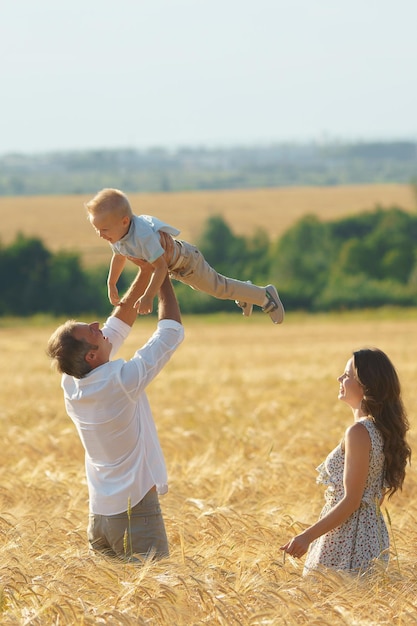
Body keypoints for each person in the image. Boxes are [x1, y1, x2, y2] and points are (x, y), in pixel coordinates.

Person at [46, 267, 184, 562]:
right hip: (135, 516)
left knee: (116, 606)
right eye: (93, 331)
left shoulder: (71, 381)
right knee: (156, 601)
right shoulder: (120, 381)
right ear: (92, 356)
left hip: (100, 518)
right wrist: (163, 275)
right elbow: (170, 331)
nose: (99, 325)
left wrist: (148, 269)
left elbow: (118, 324)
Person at [281, 347, 411, 575]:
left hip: (347, 540)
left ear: (366, 385)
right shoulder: (381, 430)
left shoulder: (359, 432)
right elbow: (374, 497)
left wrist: (306, 537)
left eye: (347, 375)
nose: (340, 379)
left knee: (325, 603)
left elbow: (352, 500)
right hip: (370, 536)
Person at [84, 187, 285, 324]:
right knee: (221, 286)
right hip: (179, 270)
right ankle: (245, 292)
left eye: (104, 229)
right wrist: (111, 283)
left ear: (124, 221)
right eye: (96, 230)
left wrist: (148, 297)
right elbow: (118, 257)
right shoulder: (117, 237)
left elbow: (160, 267)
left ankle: (264, 296)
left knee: (220, 288)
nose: (101, 235)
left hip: (188, 262)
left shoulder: (142, 235)